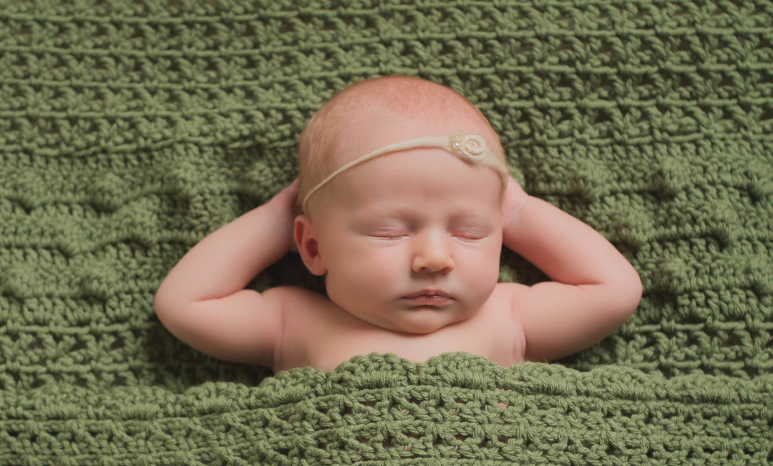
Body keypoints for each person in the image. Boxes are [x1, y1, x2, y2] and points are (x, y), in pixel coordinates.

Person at [154, 75, 643, 373]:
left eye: (470, 232)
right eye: (390, 231)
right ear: (314, 248)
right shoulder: (293, 322)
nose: (434, 258)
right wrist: (275, 219)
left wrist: (519, 211)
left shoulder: (508, 317)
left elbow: (614, 288)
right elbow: (183, 304)